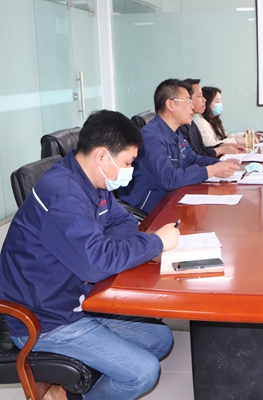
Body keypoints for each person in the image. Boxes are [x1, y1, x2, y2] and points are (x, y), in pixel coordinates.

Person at [0, 110, 181, 400]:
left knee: (160, 339)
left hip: (77, 301)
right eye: (128, 162)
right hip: (44, 320)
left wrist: (114, 247)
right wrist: (154, 244)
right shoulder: (65, 195)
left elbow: (122, 221)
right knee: (143, 372)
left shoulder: (92, 180)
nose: (130, 170)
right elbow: (96, 264)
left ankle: (66, 387)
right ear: (102, 156)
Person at [116, 79, 240, 213]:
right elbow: (169, 179)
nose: (192, 107)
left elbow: (192, 159)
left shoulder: (175, 132)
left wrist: (220, 164)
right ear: (171, 104)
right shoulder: (151, 137)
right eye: (187, 101)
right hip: (152, 209)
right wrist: (211, 171)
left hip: (171, 200)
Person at [178, 79, 245, 157]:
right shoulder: (193, 124)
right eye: (200, 96)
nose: (204, 100)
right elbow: (194, 157)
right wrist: (221, 149)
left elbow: (202, 150)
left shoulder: (192, 124)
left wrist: (223, 147)